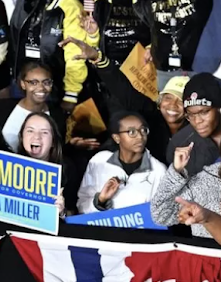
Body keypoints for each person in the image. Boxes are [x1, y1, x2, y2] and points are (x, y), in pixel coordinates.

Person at [61, 34, 189, 164]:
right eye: (168, 97)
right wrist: (97, 58)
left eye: (180, 100)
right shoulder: (150, 113)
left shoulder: (195, 131)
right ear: (160, 100)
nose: (172, 105)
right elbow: (122, 88)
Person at [9, 0, 98, 111]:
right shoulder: (23, 3)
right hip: (22, 83)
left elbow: (76, 55)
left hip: (54, 88)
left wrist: (71, 93)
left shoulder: (70, 6)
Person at [77, 111, 166, 214]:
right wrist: (100, 201)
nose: (140, 137)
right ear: (116, 138)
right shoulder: (98, 162)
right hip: (102, 229)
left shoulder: (159, 171)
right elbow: (82, 205)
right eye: (132, 132)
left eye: (143, 130)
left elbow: (162, 217)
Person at [164, 72, 221, 178]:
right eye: (191, 114)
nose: (197, 121)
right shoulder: (180, 143)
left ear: (219, 108)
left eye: (204, 112)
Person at [0, 62, 66, 152]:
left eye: (46, 83)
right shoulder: (1, 107)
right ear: (23, 84)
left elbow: (59, 149)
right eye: (33, 83)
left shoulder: (57, 114)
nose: (41, 88)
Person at [16, 112, 72, 215]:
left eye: (44, 132)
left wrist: (61, 213)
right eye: (30, 131)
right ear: (22, 137)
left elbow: (73, 213)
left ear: (53, 142)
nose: (37, 137)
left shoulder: (68, 170)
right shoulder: (8, 167)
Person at [92, 0, 152, 65]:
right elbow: (92, 45)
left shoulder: (146, 4)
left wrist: (151, 48)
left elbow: (158, 33)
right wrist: (92, 35)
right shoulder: (99, 5)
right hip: (108, 66)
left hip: (140, 66)